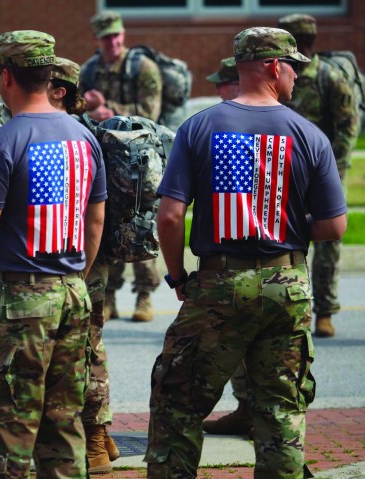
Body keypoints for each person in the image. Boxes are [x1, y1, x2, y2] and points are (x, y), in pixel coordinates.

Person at [144, 27, 347, 479]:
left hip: (219, 285)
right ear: (273, 67)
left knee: (178, 403)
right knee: (280, 412)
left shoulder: (199, 127)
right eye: (293, 66)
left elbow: (170, 217)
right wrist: (289, 229)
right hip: (287, 286)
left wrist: (177, 276)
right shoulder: (308, 134)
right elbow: (334, 225)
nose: (297, 75)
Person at [0, 30, 106, 478]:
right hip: (73, 293)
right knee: (63, 425)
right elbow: (95, 222)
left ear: (5, 77)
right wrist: (74, 277)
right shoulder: (83, 137)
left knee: (6, 430)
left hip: (19, 300)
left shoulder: (2, 142)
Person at [47, 56, 120, 473]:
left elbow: (96, 212)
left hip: (82, 258)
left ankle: (93, 438)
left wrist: (82, 268)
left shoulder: (79, 135)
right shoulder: (76, 131)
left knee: (85, 345)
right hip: (75, 255)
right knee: (85, 344)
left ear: (61, 91)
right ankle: (101, 436)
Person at [277, 13, 359, 338]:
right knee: (284, 239)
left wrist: (332, 169)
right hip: (285, 173)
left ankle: (325, 311)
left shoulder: (329, 78)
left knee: (327, 244)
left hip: (323, 172)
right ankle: (288, 306)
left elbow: (348, 126)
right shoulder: (281, 75)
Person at [80, 10, 163, 323]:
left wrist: (109, 111)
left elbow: (150, 112)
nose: (112, 42)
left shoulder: (143, 67)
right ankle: (109, 294)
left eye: (116, 36)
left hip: (140, 158)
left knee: (139, 221)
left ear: (123, 35)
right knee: (108, 224)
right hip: (104, 157)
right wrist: (87, 106)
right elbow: (75, 110)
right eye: (106, 37)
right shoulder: (89, 70)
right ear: (97, 39)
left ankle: (144, 295)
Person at [199, 56, 254, 437]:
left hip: (253, 255)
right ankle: (248, 407)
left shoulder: (236, 129)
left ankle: (258, 411)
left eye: (223, 83)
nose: (218, 90)